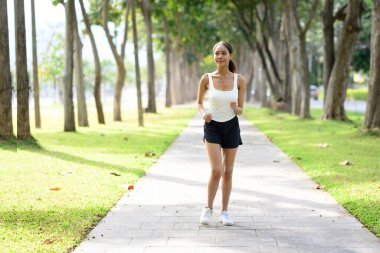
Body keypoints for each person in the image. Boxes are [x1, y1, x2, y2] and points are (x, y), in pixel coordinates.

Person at [197, 41, 246, 226]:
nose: (220, 56)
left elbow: (241, 110)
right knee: (217, 170)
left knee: (228, 171)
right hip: (212, 126)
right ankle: (208, 208)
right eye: (217, 53)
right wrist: (204, 114)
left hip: (231, 126)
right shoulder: (206, 78)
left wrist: (237, 109)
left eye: (223, 53)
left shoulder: (239, 80)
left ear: (230, 55)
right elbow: (199, 103)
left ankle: (224, 212)